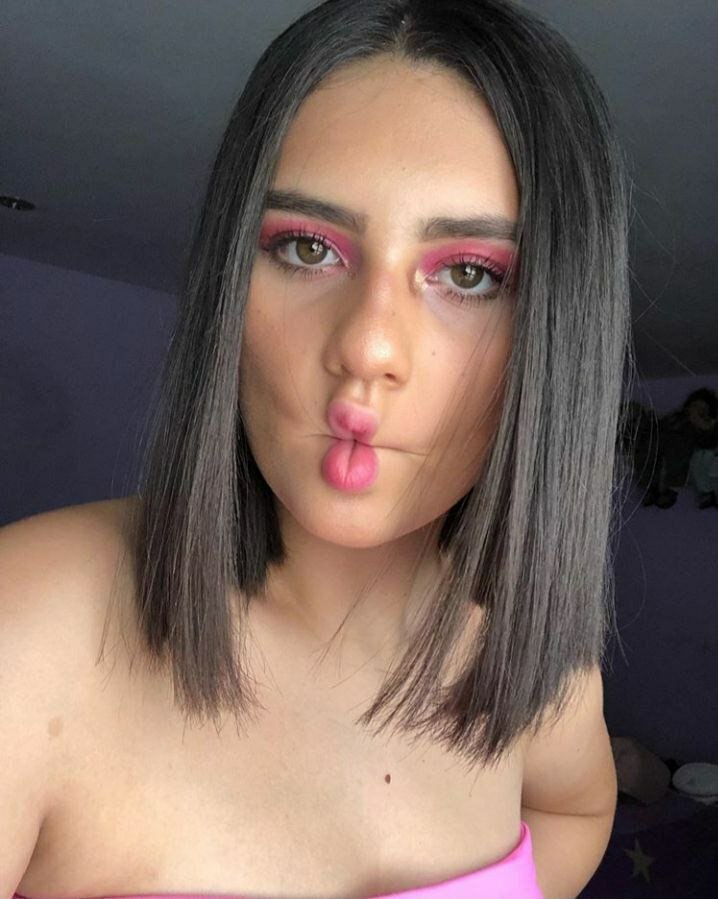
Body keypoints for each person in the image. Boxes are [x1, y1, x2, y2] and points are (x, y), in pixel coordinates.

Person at [3, 1, 635, 897]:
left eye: (469, 275)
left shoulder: (530, 661)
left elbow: (578, 808)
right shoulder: (30, 625)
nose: (368, 345)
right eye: (307, 248)